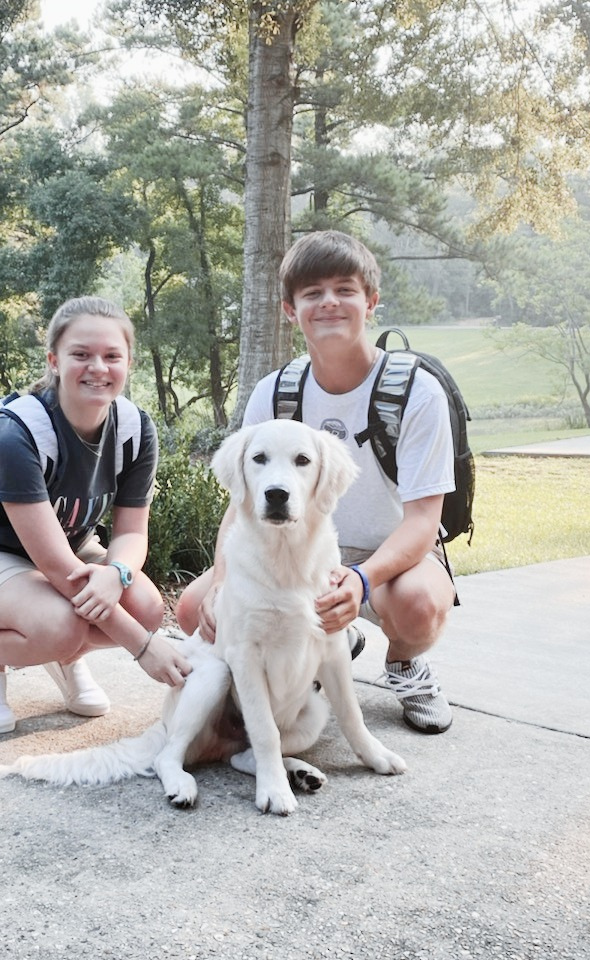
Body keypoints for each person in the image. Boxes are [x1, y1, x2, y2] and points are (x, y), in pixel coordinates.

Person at [175, 230, 457, 734]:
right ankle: (330, 643)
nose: (329, 302)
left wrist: (361, 579)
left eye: (345, 290)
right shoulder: (276, 393)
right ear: (291, 310)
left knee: (419, 605)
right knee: (198, 609)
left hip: (391, 556)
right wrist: (219, 582)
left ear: (371, 302)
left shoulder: (417, 392)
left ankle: (404, 662)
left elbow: (422, 521)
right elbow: (240, 505)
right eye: (312, 293)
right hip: (295, 551)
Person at [0, 296, 191, 734]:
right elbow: (59, 569)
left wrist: (117, 575)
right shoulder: (17, 432)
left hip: (73, 552)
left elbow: (132, 533)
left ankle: (65, 656)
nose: (98, 368)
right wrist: (144, 647)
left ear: (129, 363)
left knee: (146, 607)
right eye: (81, 354)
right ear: (54, 361)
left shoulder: (134, 429)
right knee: (62, 623)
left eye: (112, 356)